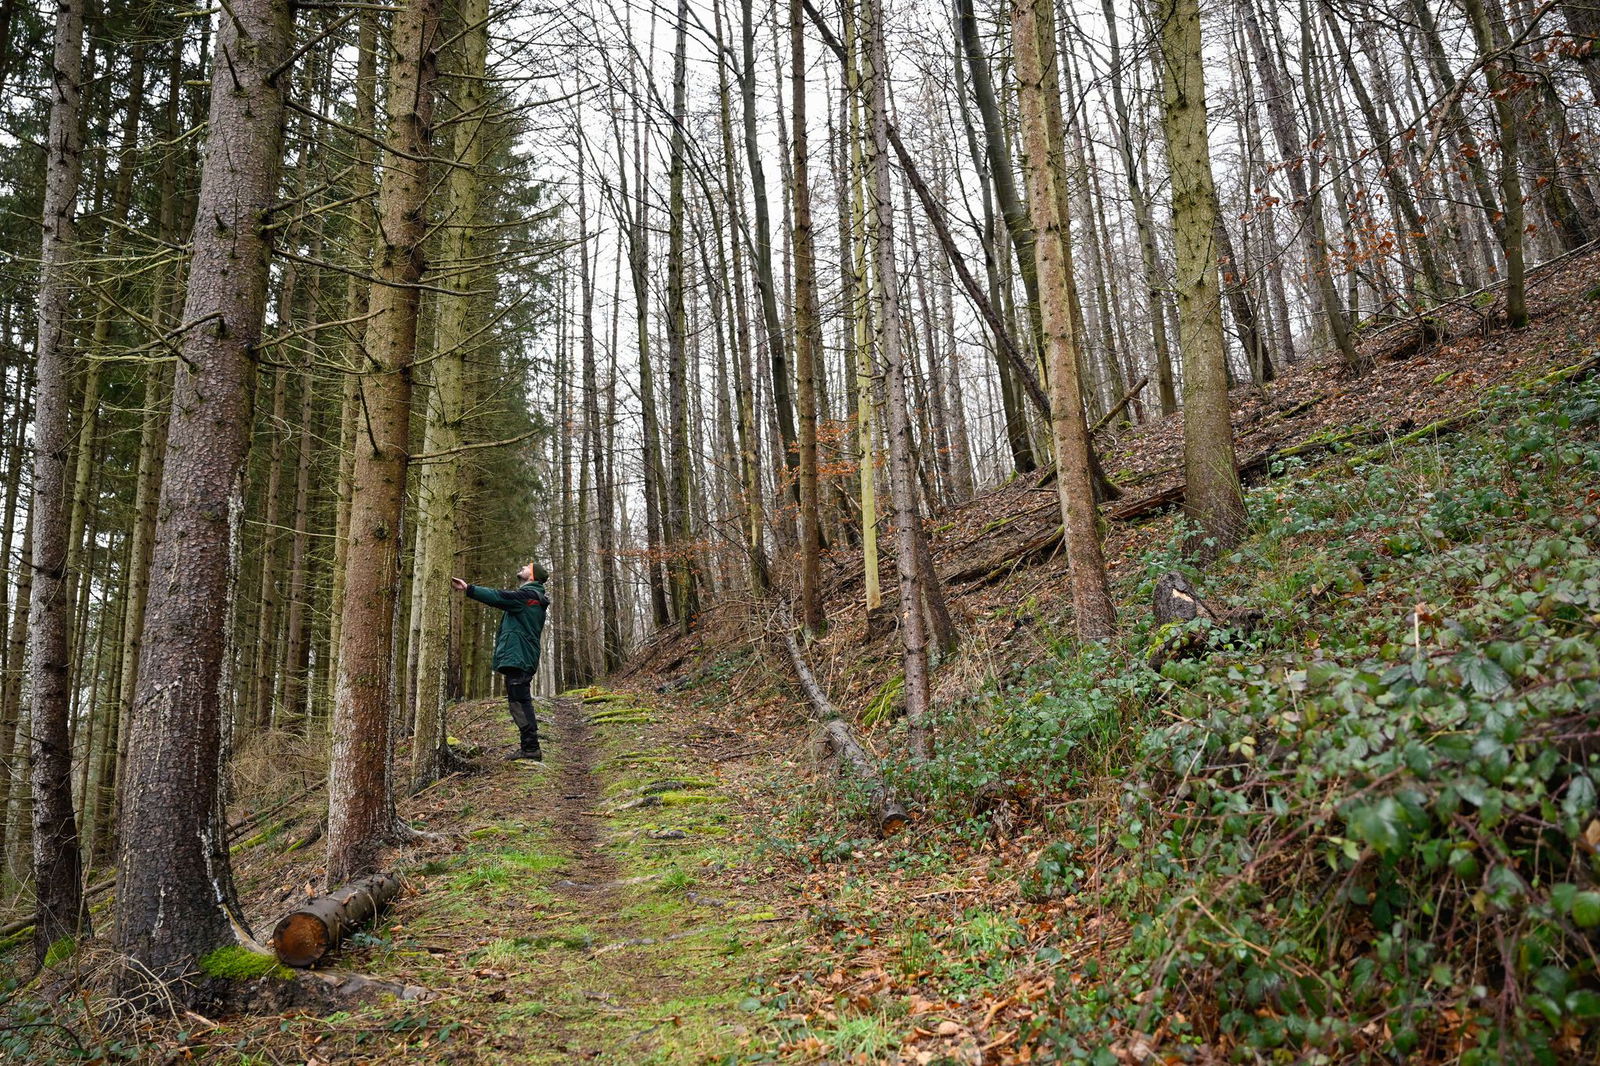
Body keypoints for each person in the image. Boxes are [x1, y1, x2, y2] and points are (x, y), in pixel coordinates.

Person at [452, 562, 550, 761]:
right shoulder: (530, 597)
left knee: (520, 702)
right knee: (518, 701)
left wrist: (469, 589)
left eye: (527, 566)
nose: (522, 566)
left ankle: (531, 749)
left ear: (532, 576)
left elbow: (499, 597)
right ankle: (529, 747)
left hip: (520, 656)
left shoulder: (528, 596)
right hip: (520, 656)